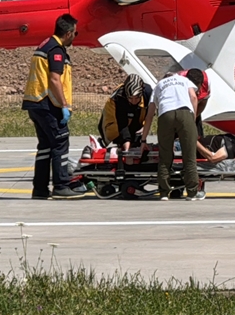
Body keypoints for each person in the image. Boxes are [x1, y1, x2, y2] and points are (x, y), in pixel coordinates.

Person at [23, 14, 85, 199]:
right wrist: (64, 105)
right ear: (68, 33)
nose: (75, 36)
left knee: (45, 148)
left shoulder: (44, 45)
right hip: (48, 104)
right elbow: (54, 79)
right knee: (60, 143)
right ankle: (61, 185)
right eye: (75, 33)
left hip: (35, 103)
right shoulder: (56, 50)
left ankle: (40, 188)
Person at [140, 69, 205, 200]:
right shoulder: (184, 80)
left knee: (165, 156)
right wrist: (191, 120)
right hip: (185, 113)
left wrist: (143, 139)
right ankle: (192, 192)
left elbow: (150, 113)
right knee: (189, 155)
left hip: (165, 114)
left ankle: (164, 192)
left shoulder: (159, 85)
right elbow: (193, 97)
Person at [98, 74, 152, 151]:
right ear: (126, 95)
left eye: (137, 98)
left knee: (137, 137)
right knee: (116, 133)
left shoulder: (148, 93)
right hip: (114, 122)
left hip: (137, 116)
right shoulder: (119, 98)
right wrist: (127, 150)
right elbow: (122, 124)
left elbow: (150, 115)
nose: (133, 101)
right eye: (130, 98)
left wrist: (144, 133)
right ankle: (106, 143)